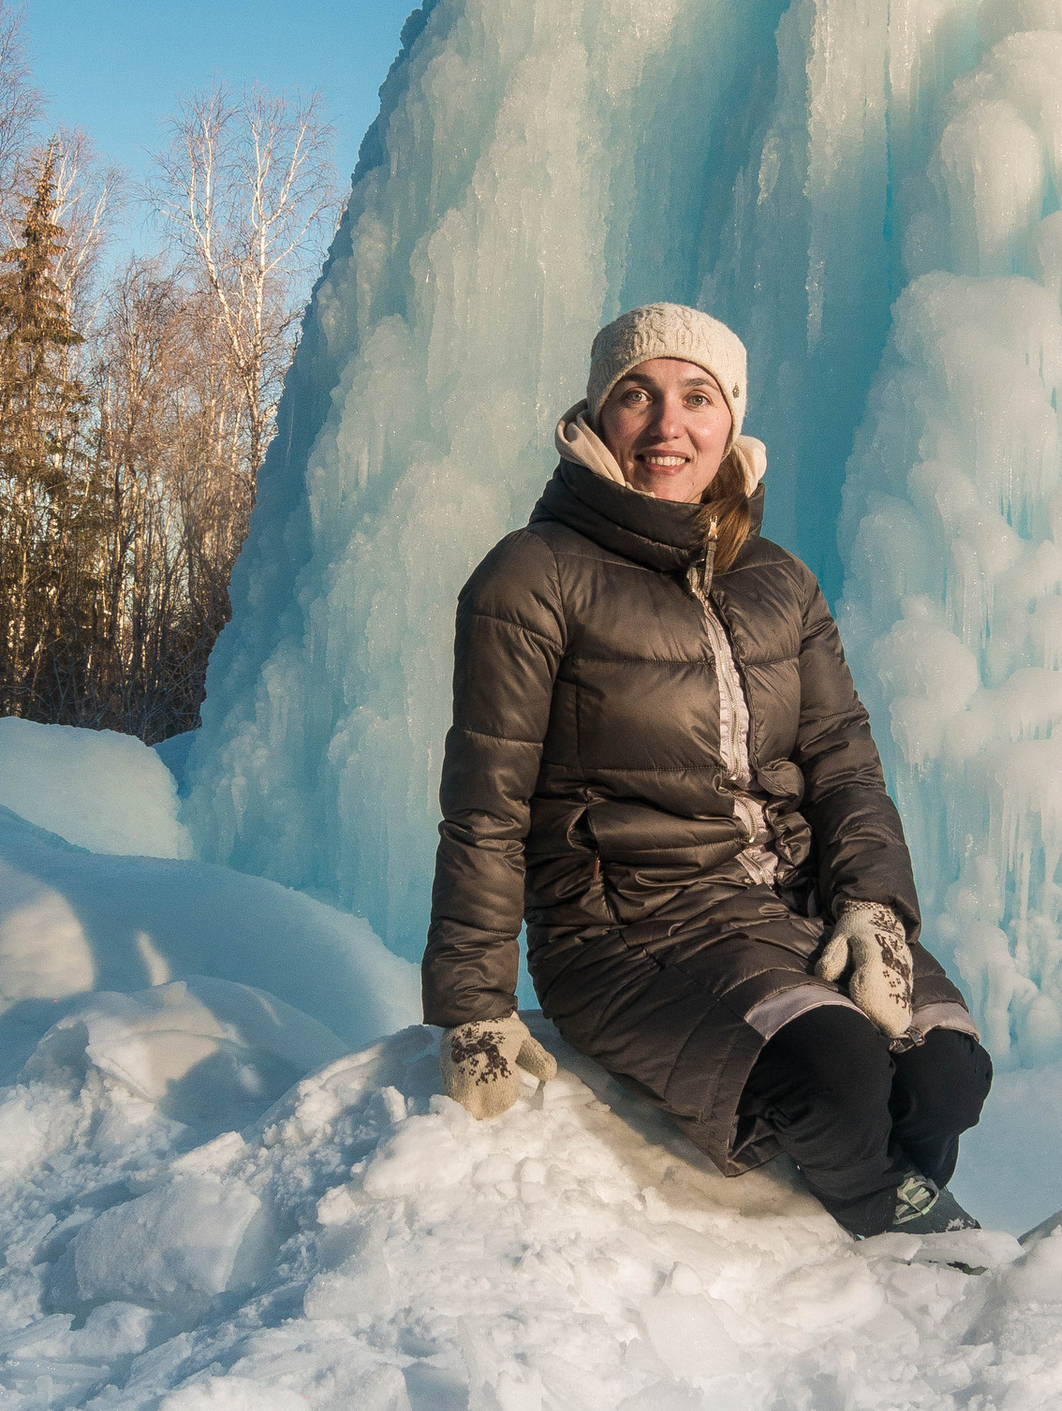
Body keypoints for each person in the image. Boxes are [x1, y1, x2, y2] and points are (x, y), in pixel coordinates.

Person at [420, 298, 991, 1237]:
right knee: (837, 1069)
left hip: (787, 904)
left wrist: (873, 906)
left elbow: (844, 761)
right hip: (625, 926)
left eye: (697, 396)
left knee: (945, 1070)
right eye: (636, 394)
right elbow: (487, 802)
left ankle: (878, 1202)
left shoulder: (780, 581)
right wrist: (472, 1004)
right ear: (596, 417)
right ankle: (892, 1233)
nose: (667, 425)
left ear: (731, 422)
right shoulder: (533, 575)